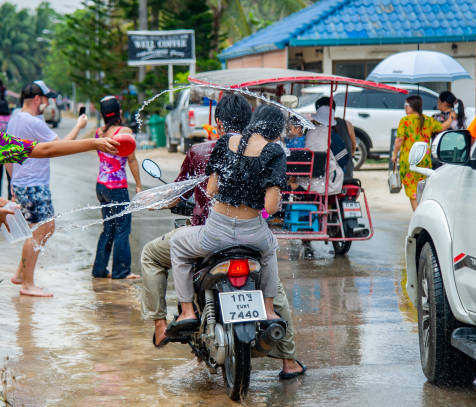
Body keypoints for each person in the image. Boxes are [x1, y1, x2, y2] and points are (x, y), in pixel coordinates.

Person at [142, 95, 305, 378]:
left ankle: (185, 313)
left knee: (177, 246)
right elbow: (269, 207)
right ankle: (272, 322)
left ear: (220, 122)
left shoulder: (223, 145)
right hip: (252, 234)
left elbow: (213, 188)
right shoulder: (274, 152)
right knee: (270, 255)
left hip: (214, 233)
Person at [7, 80, 90, 297]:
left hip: (23, 182)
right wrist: (79, 126)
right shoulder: (33, 122)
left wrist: (12, 182)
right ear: (37, 99)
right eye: (46, 99)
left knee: (41, 228)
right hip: (34, 183)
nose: (47, 103)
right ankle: (27, 283)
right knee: (41, 229)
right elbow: (61, 147)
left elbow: (7, 154)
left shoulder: (16, 117)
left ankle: (20, 273)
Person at [92, 96, 142, 280]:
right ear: (119, 112)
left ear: (102, 114)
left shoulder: (98, 132)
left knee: (108, 228)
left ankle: (99, 269)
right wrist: (137, 184)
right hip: (117, 187)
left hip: (101, 186)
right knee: (122, 229)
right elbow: (132, 160)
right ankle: (121, 271)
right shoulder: (124, 131)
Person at [391, 95, 443, 211]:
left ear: (412, 106)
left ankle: (418, 216)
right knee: (423, 189)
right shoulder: (428, 120)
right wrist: (451, 118)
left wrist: (394, 154)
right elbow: (441, 127)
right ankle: (424, 212)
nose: (405, 107)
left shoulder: (405, 121)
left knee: (412, 191)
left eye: (406, 105)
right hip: (424, 161)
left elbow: (399, 140)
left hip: (410, 161)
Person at [292, 105, 344, 195]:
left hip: (303, 182)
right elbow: (343, 159)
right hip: (324, 184)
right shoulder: (331, 134)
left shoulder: (308, 133)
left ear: (316, 119)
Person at [315, 97, 357, 179]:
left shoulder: (314, 128)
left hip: (323, 179)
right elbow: (353, 148)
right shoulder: (346, 124)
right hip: (346, 175)